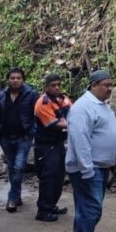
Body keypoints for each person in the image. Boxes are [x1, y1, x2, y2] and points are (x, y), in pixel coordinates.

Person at [65, 69, 116, 232]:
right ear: (93, 85)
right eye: (106, 85)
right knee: (91, 208)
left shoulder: (101, 105)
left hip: (99, 166)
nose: (110, 89)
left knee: (85, 207)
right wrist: (87, 168)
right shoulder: (83, 108)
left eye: (111, 85)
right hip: (89, 167)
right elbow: (80, 140)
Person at [0, 67, 38, 213]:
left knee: (18, 167)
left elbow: (37, 115)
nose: (15, 80)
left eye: (18, 78)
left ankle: (11, 199)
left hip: (23, 138)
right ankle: (17, 196)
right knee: (12, 167)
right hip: (6, 138)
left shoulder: (31, 94)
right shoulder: (2, 95)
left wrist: (31, 132)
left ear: (23, 80)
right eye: (12, 78)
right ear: (8, 80)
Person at [32, 73, 72, 222]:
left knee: (58, 176)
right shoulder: (42, 103)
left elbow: (72, 112)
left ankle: (51, 205)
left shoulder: (62, 99)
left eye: (58, 85)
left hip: (58, 143)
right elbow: (53, 124)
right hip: (45, 146)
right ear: (46, 87)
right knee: (48, 177)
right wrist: (72, 124)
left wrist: (70, 121)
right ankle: (43, 210)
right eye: (53, 85)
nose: (56, 88)